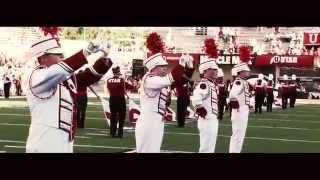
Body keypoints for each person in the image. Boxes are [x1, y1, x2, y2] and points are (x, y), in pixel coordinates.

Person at [23, 34, 113, 153]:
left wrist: (104, 57)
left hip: (64, 140)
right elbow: (59, 71)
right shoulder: (34, 76)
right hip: (44, 139)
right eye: (57, 54)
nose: (62, 56)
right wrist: (86, 52)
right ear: (42, 57)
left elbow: (87, 77)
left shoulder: (63, 77)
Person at [135, 32, 185, 153]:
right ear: (154, 67)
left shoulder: (158, 80)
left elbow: (178, 81)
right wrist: (181, 64)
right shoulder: (149, 79)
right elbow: (170, 79)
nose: (165, 69)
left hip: (156, 120)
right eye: (163, 66)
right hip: (148, 121)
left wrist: (187, 68)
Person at [191, 38, 220, 153]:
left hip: (212, 119)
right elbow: (196, 98)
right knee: (206, 148)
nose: (216, 70)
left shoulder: (210, 84)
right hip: (207, 119)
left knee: (210, 147)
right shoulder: (204, 84)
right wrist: (199, 108)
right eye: (213, 69)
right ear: (206, 71)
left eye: (216, 68)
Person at [228, 45, 252, 153]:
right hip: (239, 111)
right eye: (246, 71)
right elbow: (232, 94)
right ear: (241, 72)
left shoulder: (243, 81)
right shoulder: (239, 81)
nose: (248, 72)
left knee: (240, 135)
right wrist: (236, 106)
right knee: (237, 135)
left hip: (243, 110)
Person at [106, 66, 135, 138]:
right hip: (120, 99)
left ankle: (112, 132)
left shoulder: (108, 80)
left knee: (113, 116)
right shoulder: (122, 80)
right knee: (122, 116)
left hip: (112, 98)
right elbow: (132, 87)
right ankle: (120, 133)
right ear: (118, 72)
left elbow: (109, 89)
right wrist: (132, 80)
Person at [173, 56, 194, 127]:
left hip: (184, 94)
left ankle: (181, 123)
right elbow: (183, 75)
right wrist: (189, 79)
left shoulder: (182, 70)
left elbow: (189, 71)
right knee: (181, 110)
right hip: (182, 94)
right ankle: (180, 123)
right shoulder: (180, 71)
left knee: (182, 110)